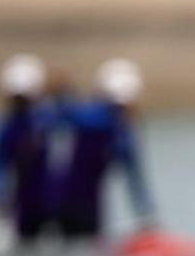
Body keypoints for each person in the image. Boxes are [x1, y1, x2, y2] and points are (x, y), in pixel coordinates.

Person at [52, 58, 159, 240]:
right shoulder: (115, 129)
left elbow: (135, 181)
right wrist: (147, 216)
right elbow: (135, 182)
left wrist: (63, 93)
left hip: (70, 204)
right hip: (79, 208)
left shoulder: (90, 116)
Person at [0, 53, 52, 242]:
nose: (20, 104)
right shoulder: (5, 130)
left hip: (57, 206)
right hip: (23, 207)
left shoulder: (50, 121)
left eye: (24, 98)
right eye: (16, 98)